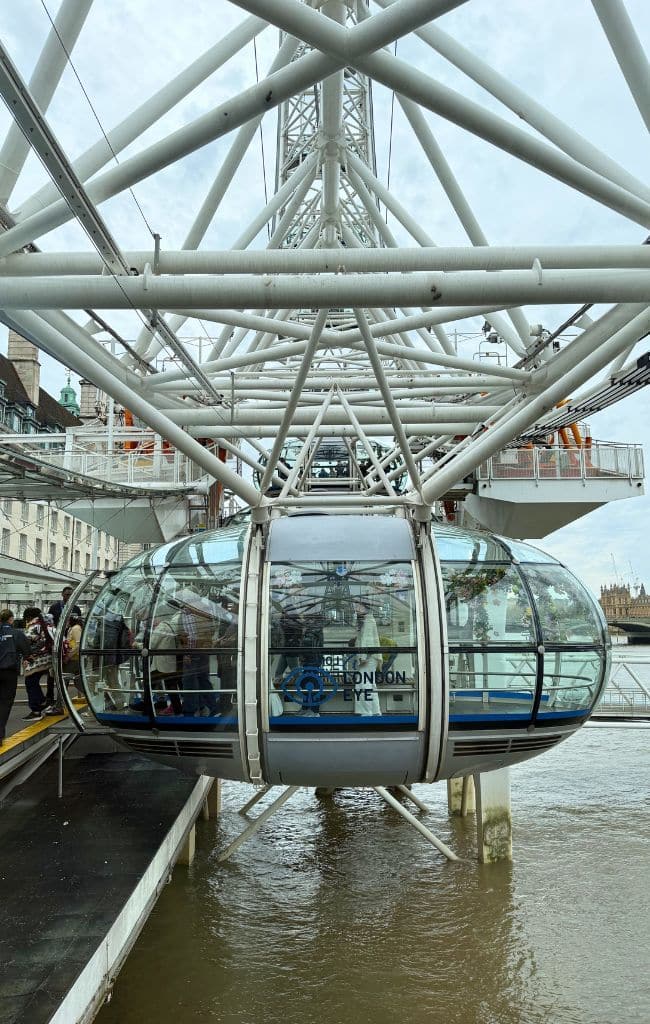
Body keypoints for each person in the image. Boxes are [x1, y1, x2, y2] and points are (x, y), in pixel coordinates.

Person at [0, 608, 32, 745]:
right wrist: (27, 658)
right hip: (9, 673)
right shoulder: (16, 634)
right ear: (11, 619)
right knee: (5, 703)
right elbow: (27, 651)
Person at [22, 606, 57, 718]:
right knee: (33, 681)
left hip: (36, 659)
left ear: (29, 616)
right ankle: (42, 703)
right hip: (47, 658)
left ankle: (39, 706)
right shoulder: (45, 623)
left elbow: (26, 642)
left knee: (30, 682)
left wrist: (28, 654)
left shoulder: (33, 626)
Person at [350, 598, 382, 717]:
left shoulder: (368, 620)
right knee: (370, 683)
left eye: (358, 606)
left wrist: (363, 657)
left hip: (368, 658)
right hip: (371, 658)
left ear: (365, 607)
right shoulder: (367, 620)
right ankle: (375, 711)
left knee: (363, 684)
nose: (356, 609)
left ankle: (366, 712)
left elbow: (367, 642)